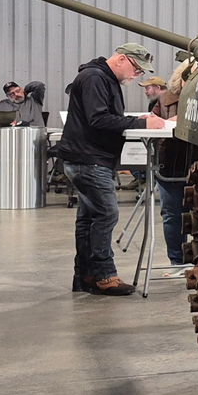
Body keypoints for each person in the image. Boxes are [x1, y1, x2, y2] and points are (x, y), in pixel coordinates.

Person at [53, 43, 168, 296]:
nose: (137, 75)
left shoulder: (101, 77)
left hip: (86, 157)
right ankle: (104, 276)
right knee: (106, 214)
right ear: (122, 59)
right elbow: (98, 119)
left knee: (89, 218)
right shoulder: (95, 78)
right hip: (89, 158)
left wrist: (137, 121)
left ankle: (85, 276)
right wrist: (141, 123)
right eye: (136, 69)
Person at [147, 66, 190, 273]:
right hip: (171, 164)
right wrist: (163, 122)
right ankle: (177, 261)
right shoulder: (164, 100)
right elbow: (152, 123)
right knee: (172, 214)